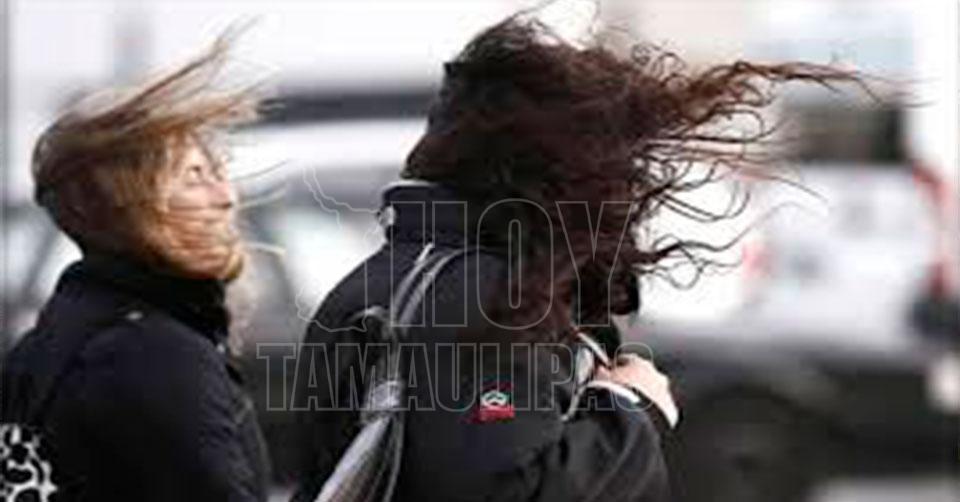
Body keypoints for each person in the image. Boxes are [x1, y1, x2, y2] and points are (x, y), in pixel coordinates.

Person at [290, 14, 862, 502]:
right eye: (616, 170)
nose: (628, 192)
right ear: (559, 174)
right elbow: (511, 488)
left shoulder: (380, 280)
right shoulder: (489, 298)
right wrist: (630, 407)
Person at [1, 32, 270, 501]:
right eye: (194, 177)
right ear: (129, 204)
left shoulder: (51, 341)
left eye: (220, 172)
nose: (226, 197)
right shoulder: (153, 354)